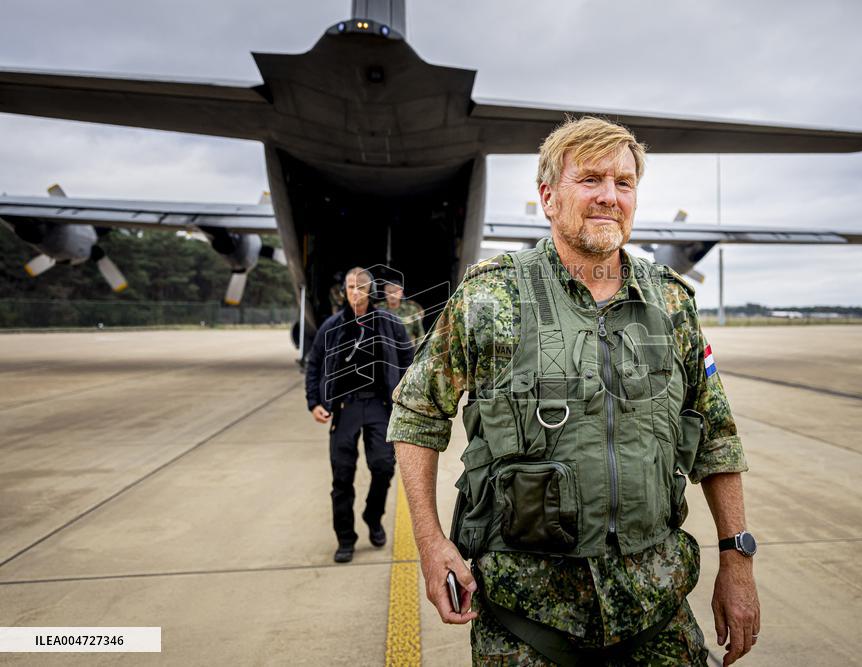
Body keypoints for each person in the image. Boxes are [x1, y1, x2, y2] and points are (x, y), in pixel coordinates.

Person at [388, 117, 760, 665]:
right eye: (590, 179)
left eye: (624, 182)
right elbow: (417, 414)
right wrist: (430, 541)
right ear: (548, 197)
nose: (610, 196)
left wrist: (738, 560)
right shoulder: (489, 296)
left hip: (656, 611)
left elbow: (716, 438)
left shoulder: (671, 304)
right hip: (526, 622)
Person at [306, 267, 414, 563]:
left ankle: (372, 514)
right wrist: (314, 401)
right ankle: (345, 538)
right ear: (345, 291)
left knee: (383, 467)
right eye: (350, 287)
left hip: (379, 406)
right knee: (342, 476)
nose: (354, 293)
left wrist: (402, 393)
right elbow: (314, 363)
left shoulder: (389, 324)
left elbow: (408, 357)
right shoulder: (332, 326)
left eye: (360, 288)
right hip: (345, 408)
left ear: (369, 292)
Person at [376, 278, 425, 344]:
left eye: (395, 292)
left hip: (408, 350)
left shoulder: (411, 309)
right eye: (389, 292)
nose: (392, 295)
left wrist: (417, 352)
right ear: (385, 293)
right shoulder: (378, 310)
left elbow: (420, 334)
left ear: (401, 292)